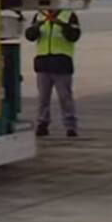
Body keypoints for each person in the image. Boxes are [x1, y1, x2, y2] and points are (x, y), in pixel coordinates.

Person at [25, 8, 81, 137]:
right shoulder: (39, 15)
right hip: (43, 63)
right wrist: (36, 27)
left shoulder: (69, 15)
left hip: (61, 63)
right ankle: (42, 124)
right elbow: (30, 36)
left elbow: (74, 36)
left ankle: (70, 126)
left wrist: (61, 24)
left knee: (65, 97)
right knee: (43, 98)